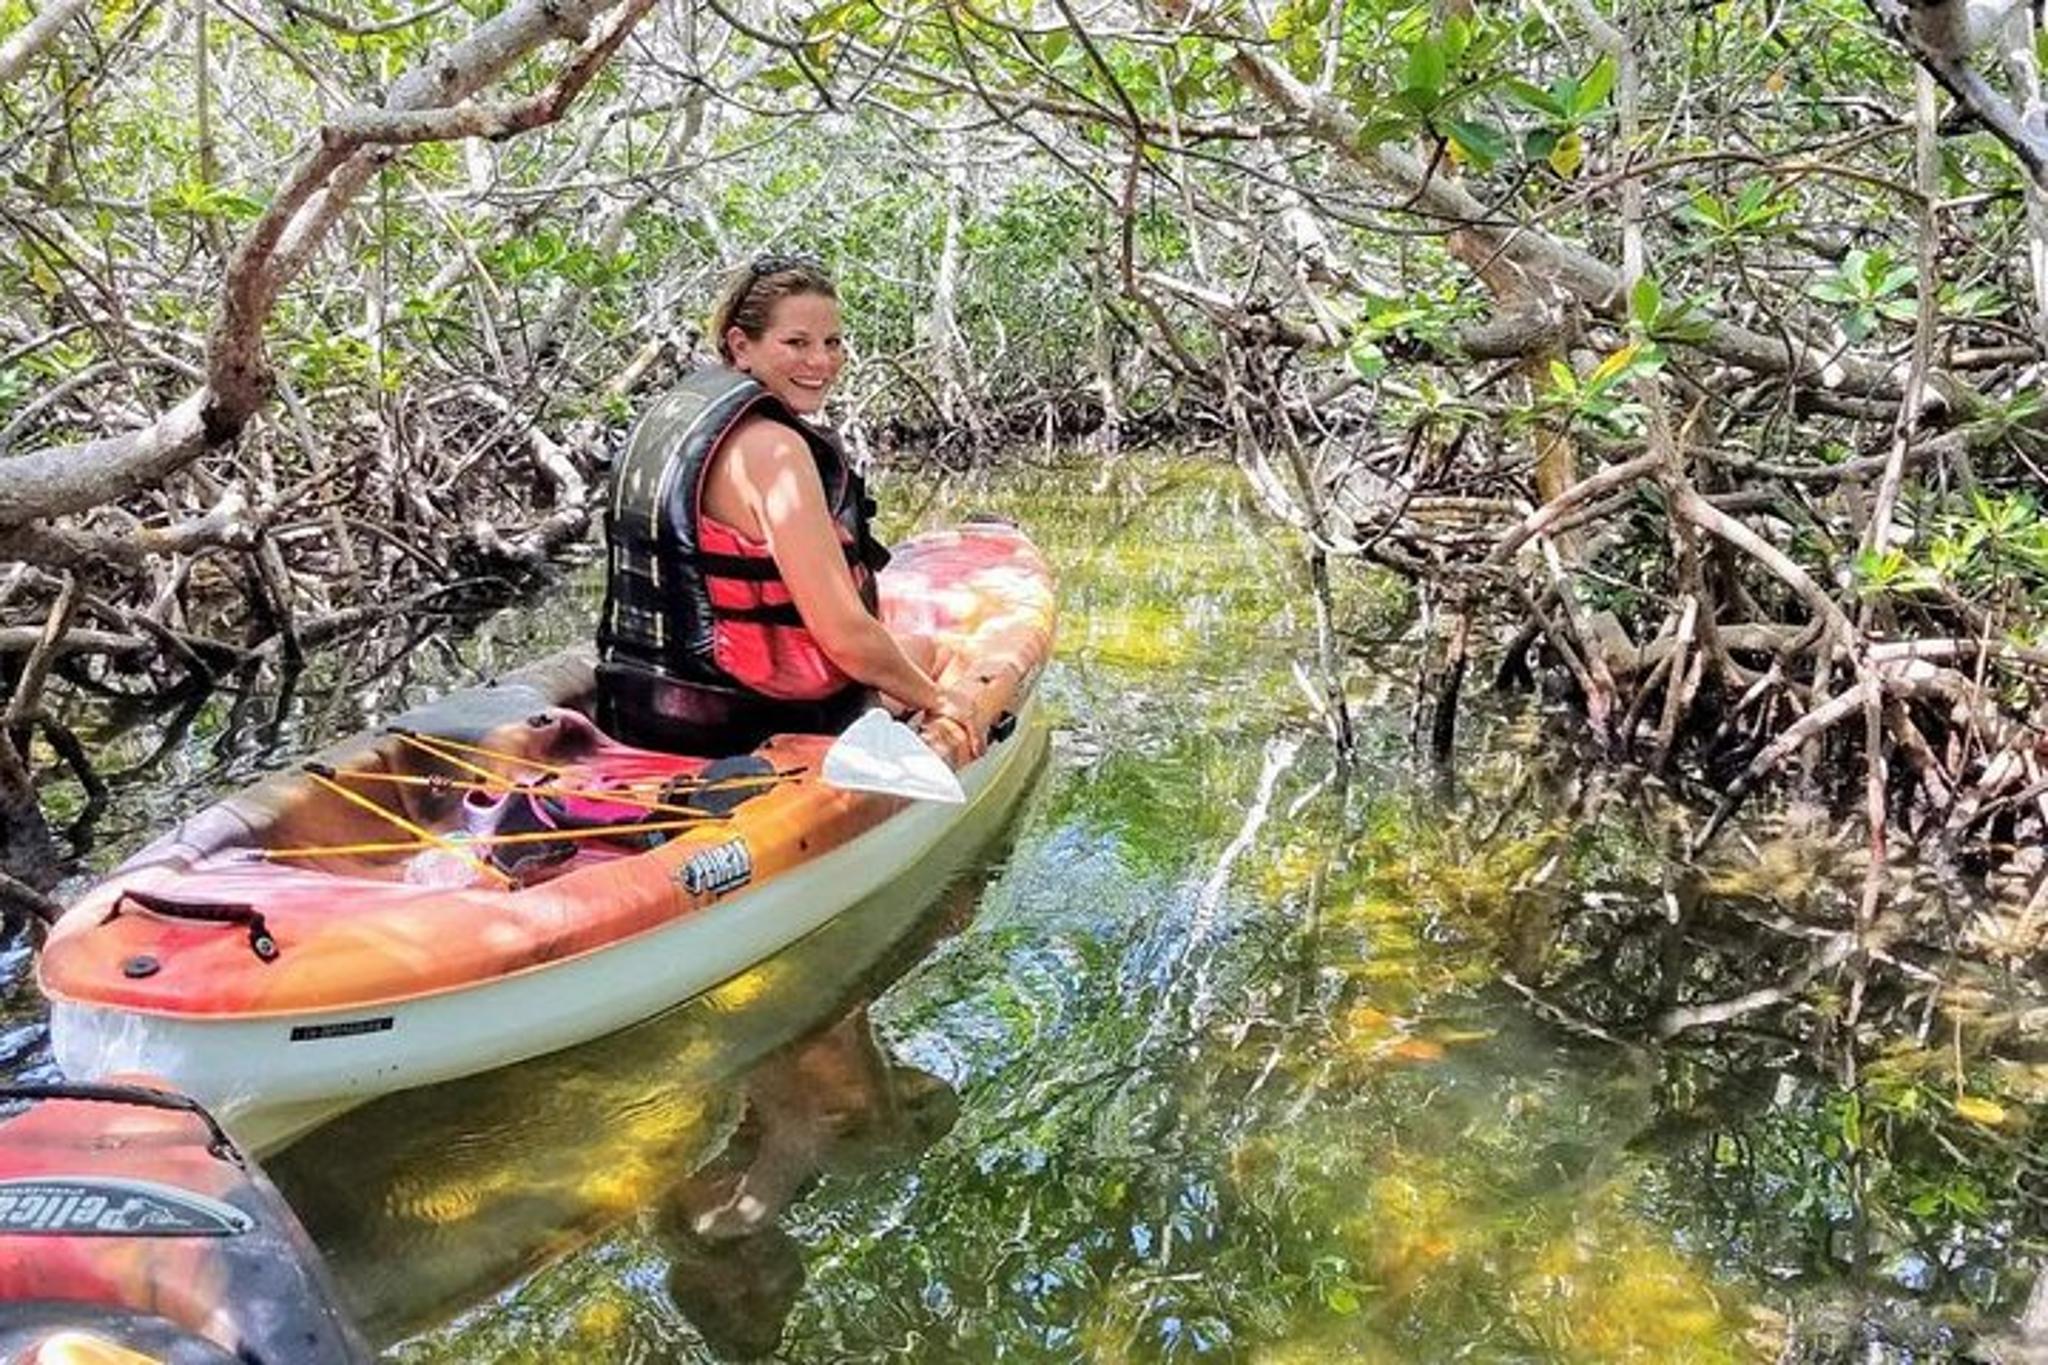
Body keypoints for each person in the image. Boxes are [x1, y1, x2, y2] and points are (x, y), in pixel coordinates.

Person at [596, 253, 983, 759]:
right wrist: (942, 701)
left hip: (637, 707)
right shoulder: (775, 450)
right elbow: (846, 637)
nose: (821, 362)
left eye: (832, 343)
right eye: (796, 343)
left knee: (902, 651)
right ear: (741, 346)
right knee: (928, 651)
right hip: (738, 723)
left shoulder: (678, 417)